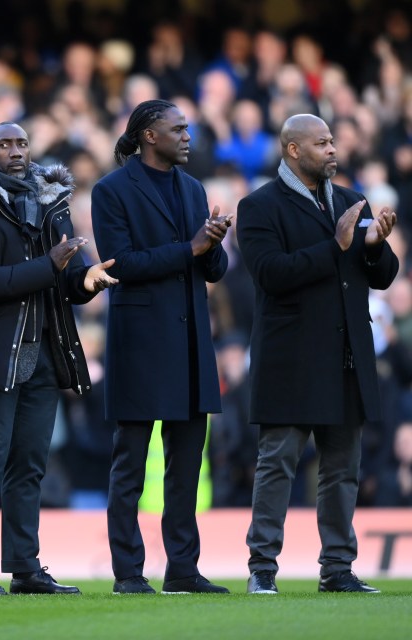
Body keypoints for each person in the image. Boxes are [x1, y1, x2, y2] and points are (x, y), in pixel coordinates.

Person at [0, 121, 117, 596]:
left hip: (44, 351)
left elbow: (66, 277)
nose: (16, 151)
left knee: (30, 464)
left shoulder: (52, 205)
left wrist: (84, 281)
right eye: (4, 144)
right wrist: (53, 266)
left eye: (22, 143)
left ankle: (25, 569)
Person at [237, 113, 398, 595]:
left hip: (347, 356)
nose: (332, 149)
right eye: (322, 142)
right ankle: (262, 567)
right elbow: (270, 274)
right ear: (293, 150)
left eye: (332, 141)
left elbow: (382, 275)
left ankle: (338, 568)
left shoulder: (352, 201)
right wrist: (337, 245)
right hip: (291, 359)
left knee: (342, 470)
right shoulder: (260, 206)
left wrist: (373, 247)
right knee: (277, 464)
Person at [91, 99, 231, 595]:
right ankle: (128, 572)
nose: (187, 135)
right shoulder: (111, 191)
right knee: (129, 464)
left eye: (187, 127)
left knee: (186, 468)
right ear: (150, 135)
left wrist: (214, 244)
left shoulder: (194, 189)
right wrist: (191, 248)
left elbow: (211, 271)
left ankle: (183, 570)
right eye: (178, 128)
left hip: (191, 343)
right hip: (141, 345)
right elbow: (119, 264)